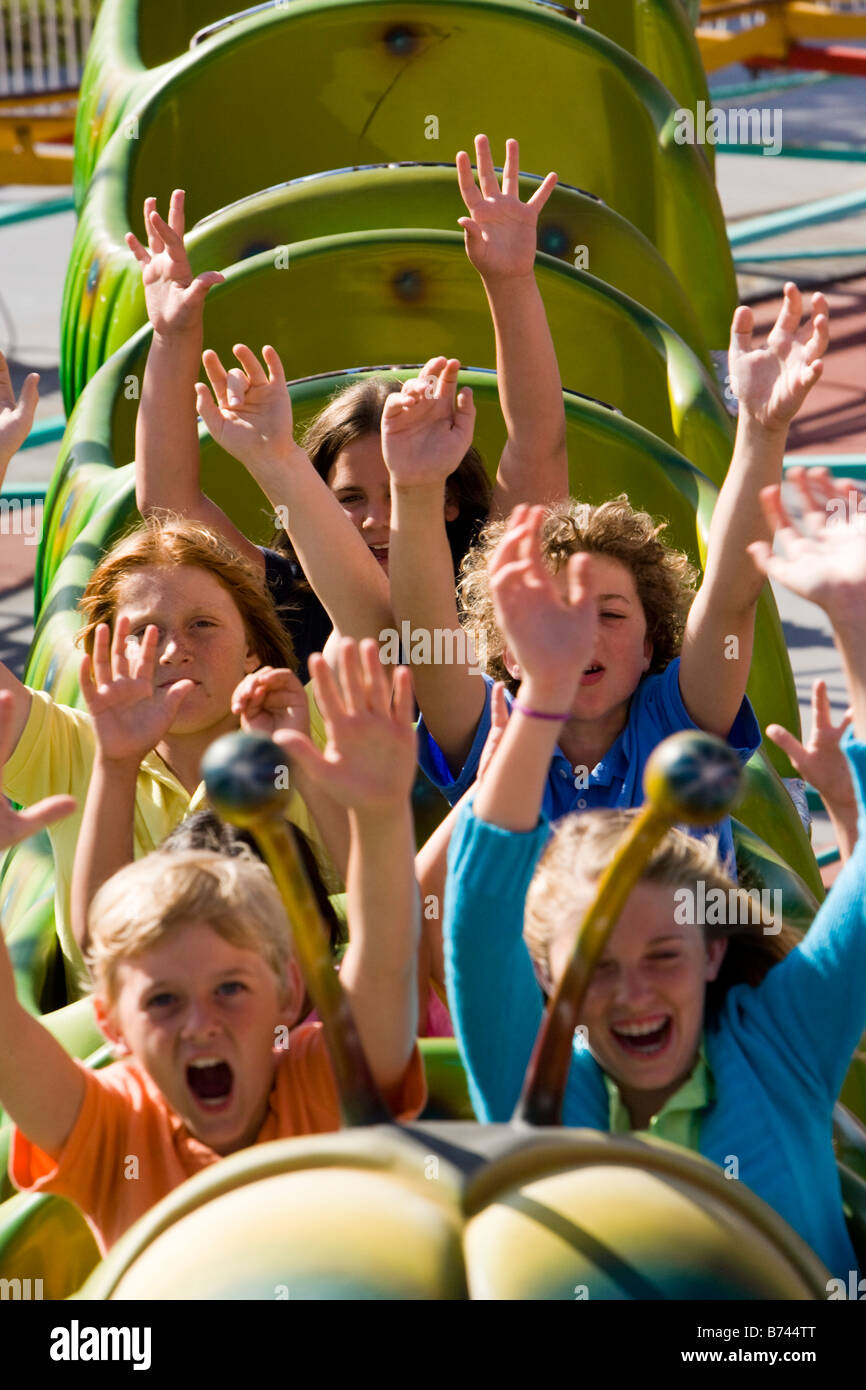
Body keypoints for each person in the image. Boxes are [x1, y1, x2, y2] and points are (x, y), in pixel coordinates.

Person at [442, 476, 866, 1279]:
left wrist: (851, 621)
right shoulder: (533, 1094)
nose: (633, 994)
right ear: (545, 975)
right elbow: (474, 915)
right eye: (596, 966)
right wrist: (542, 695)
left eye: (662, 956)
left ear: (712, 950)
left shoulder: (783, 1047)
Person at [388, 284, 829, 878]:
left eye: (612, 613)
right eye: (553, 615)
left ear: (651, 646)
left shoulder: (678, 719)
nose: (579, 636)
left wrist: (760, 430)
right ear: (503, 652)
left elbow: (731, 597)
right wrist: (415, 490)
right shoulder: (490, 730)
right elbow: (426, 634)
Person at [7, 638, 425, 1253]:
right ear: (111, 1023)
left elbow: (387, 957)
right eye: (163, 1001)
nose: (201, 1024)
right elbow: (8, 1040)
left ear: (288, 992)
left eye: (230, 988)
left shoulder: (323, 1080)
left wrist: (383, 814)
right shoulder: (111, 1129)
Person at [129, 135, 568, 679]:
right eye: (350, 497)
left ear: (451, 499)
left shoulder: (493, 575)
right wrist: (172, 337)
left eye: (399, 490)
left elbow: (537, 441)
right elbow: (167, 505)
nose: (376, 520)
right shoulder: (290, 595)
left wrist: (510, 279)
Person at [0, 374, 344, 997]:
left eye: (203, 624)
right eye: (144, 631)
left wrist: (300, 761)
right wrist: (116, 761)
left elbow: (357, 910)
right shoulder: (73, 744)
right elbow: (100, 955)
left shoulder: (312, 716)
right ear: (101, 652)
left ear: (254, 650)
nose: (175, 647)